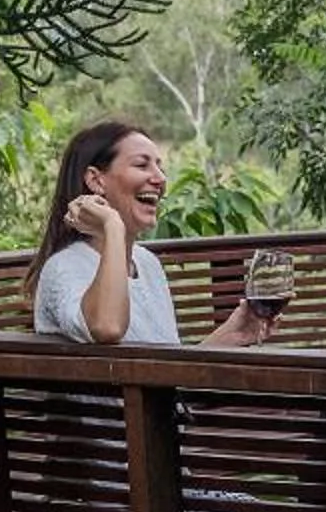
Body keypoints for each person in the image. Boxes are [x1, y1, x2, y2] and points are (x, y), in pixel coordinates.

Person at [25, 120, 276, 347]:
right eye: (142, 165)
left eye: (159, 166)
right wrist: (112, 226)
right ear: (96, 181)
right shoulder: (63, 267)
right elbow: (107, 328)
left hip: (154, 399)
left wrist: (232, 335)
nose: (160, 178)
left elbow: (165, 371)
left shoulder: (147, 263)